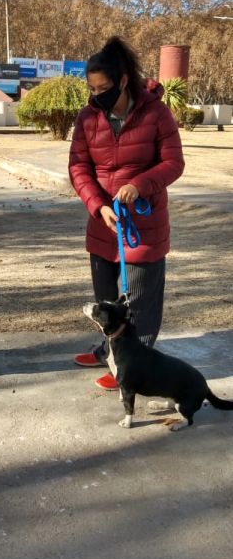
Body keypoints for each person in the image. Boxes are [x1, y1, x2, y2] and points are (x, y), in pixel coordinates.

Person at [68, 36, 185, 390]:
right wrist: (97, 204)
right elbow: (78, 167)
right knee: (106, 299)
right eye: (91, 87)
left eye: (102, 87)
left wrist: (142, 184)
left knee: (139, 302)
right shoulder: (88, 117)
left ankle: (135, 365)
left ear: (121, 80)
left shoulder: (156, 113)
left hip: (144, 225)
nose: (96, 94)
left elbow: (173, 163)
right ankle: (108, 349)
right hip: (103, 222)